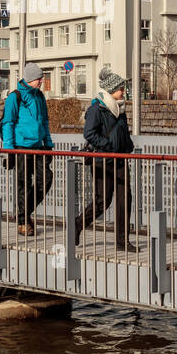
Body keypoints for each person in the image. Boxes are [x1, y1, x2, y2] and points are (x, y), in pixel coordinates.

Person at [78, 69, 138, 251]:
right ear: (111, 89)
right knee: (102, 201)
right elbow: (89, 133)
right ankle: (77, 224)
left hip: (120, 159)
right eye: (120, 89)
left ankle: (122, 241)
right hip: (102, 160)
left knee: (124, 200)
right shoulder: (97, 109)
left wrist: (128, 147)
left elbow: (123, 133)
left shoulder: (120, 109)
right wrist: (108, 146)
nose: (123, 92)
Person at [0, 63, 54, 235]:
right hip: (21, 147)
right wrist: (9, 151)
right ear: (30, 79)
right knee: (23, 184)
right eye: (39, 79)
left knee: (46, 179)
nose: (41, 81)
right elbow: (8, 123)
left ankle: (23, 213)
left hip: (38, 147)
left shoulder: (39, 97)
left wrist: (49, 144)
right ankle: (23, 222)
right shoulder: (14, 97)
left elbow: (44, 122)